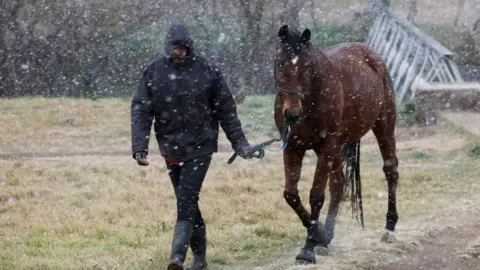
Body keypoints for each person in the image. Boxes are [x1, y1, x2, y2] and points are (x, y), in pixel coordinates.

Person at [130, 24, 264, 270]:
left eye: (182, 47)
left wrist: (241, 145)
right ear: (167, 47)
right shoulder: (154, 72)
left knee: (186, 198)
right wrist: (140, 145)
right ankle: (200, 259)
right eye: (174, 47)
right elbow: (141, 109)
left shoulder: (208, 71)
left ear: (189, 47)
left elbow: (227, 111)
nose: (178, 52)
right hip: (170, 148)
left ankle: (177, 257)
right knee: (187, 201)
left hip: (201, 146)